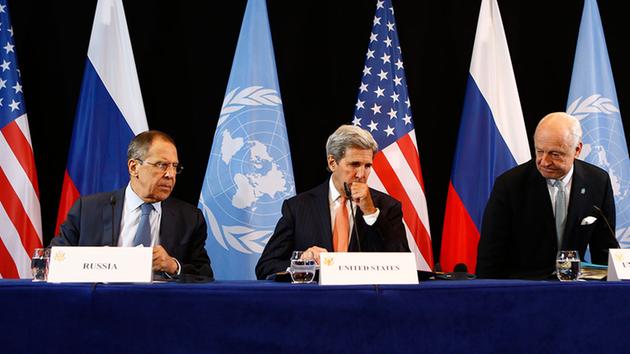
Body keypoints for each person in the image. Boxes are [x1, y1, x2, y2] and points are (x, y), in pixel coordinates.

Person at [50, 130, 213, 279]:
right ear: (134, 167)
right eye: (161, 165)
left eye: (175, 166)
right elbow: (53, 259)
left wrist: (173, 266)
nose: (170, 174)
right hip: (100, 304)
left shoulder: (190, 218)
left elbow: (204, 275)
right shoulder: (87, 210)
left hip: (160, 306)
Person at [255, 125, 409, 280]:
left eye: (367, 166)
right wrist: (301, 263)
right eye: (354, 164)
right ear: (332, 163)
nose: (361, 174)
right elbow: (265, 267)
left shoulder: (388, 206)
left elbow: (404, 266)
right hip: (316, 301)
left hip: (365, 301)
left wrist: (371, 213)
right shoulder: (298, 207)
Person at [477, 112, 619, 279]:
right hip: (523, 288)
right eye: (539, 151)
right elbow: (490, 254)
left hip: (575, 288)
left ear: (577, 150)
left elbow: (605, 249)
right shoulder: (510, 184)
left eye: (555, 154)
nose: (544, 161)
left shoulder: (597, 182)